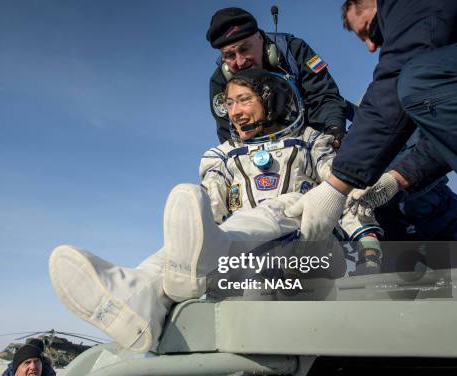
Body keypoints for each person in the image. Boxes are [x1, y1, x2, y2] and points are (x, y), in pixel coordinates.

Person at [48, 70, 380, 355]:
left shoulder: (310, 142)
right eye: (229, 103)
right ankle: (140, 295)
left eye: (244, 99)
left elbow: (345, 189)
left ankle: (192, 265)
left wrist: (368, 246)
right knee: (202, 237)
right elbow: (207, 212)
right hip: (249, 259)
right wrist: (202, 234)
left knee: (281, 205)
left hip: (315, 253)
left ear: (273, 100)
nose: (234, 112)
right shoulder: (222, 157)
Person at [285, 0, 457, 240]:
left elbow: (395, 85)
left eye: (369, 30)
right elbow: (446, 132)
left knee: (415, 80)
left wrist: (336, 186)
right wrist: (398, 178)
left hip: (439, 218)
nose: (370, 46)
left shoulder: (411, 12)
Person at [207, 7, 348, 144]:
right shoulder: (220, 82)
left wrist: (333, 130)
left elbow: (323, 95)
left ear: (260, 38)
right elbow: (228, 132)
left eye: (244, 49)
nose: (240, 61)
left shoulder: (293, 50)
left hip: (313, 137)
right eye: (229, 55)